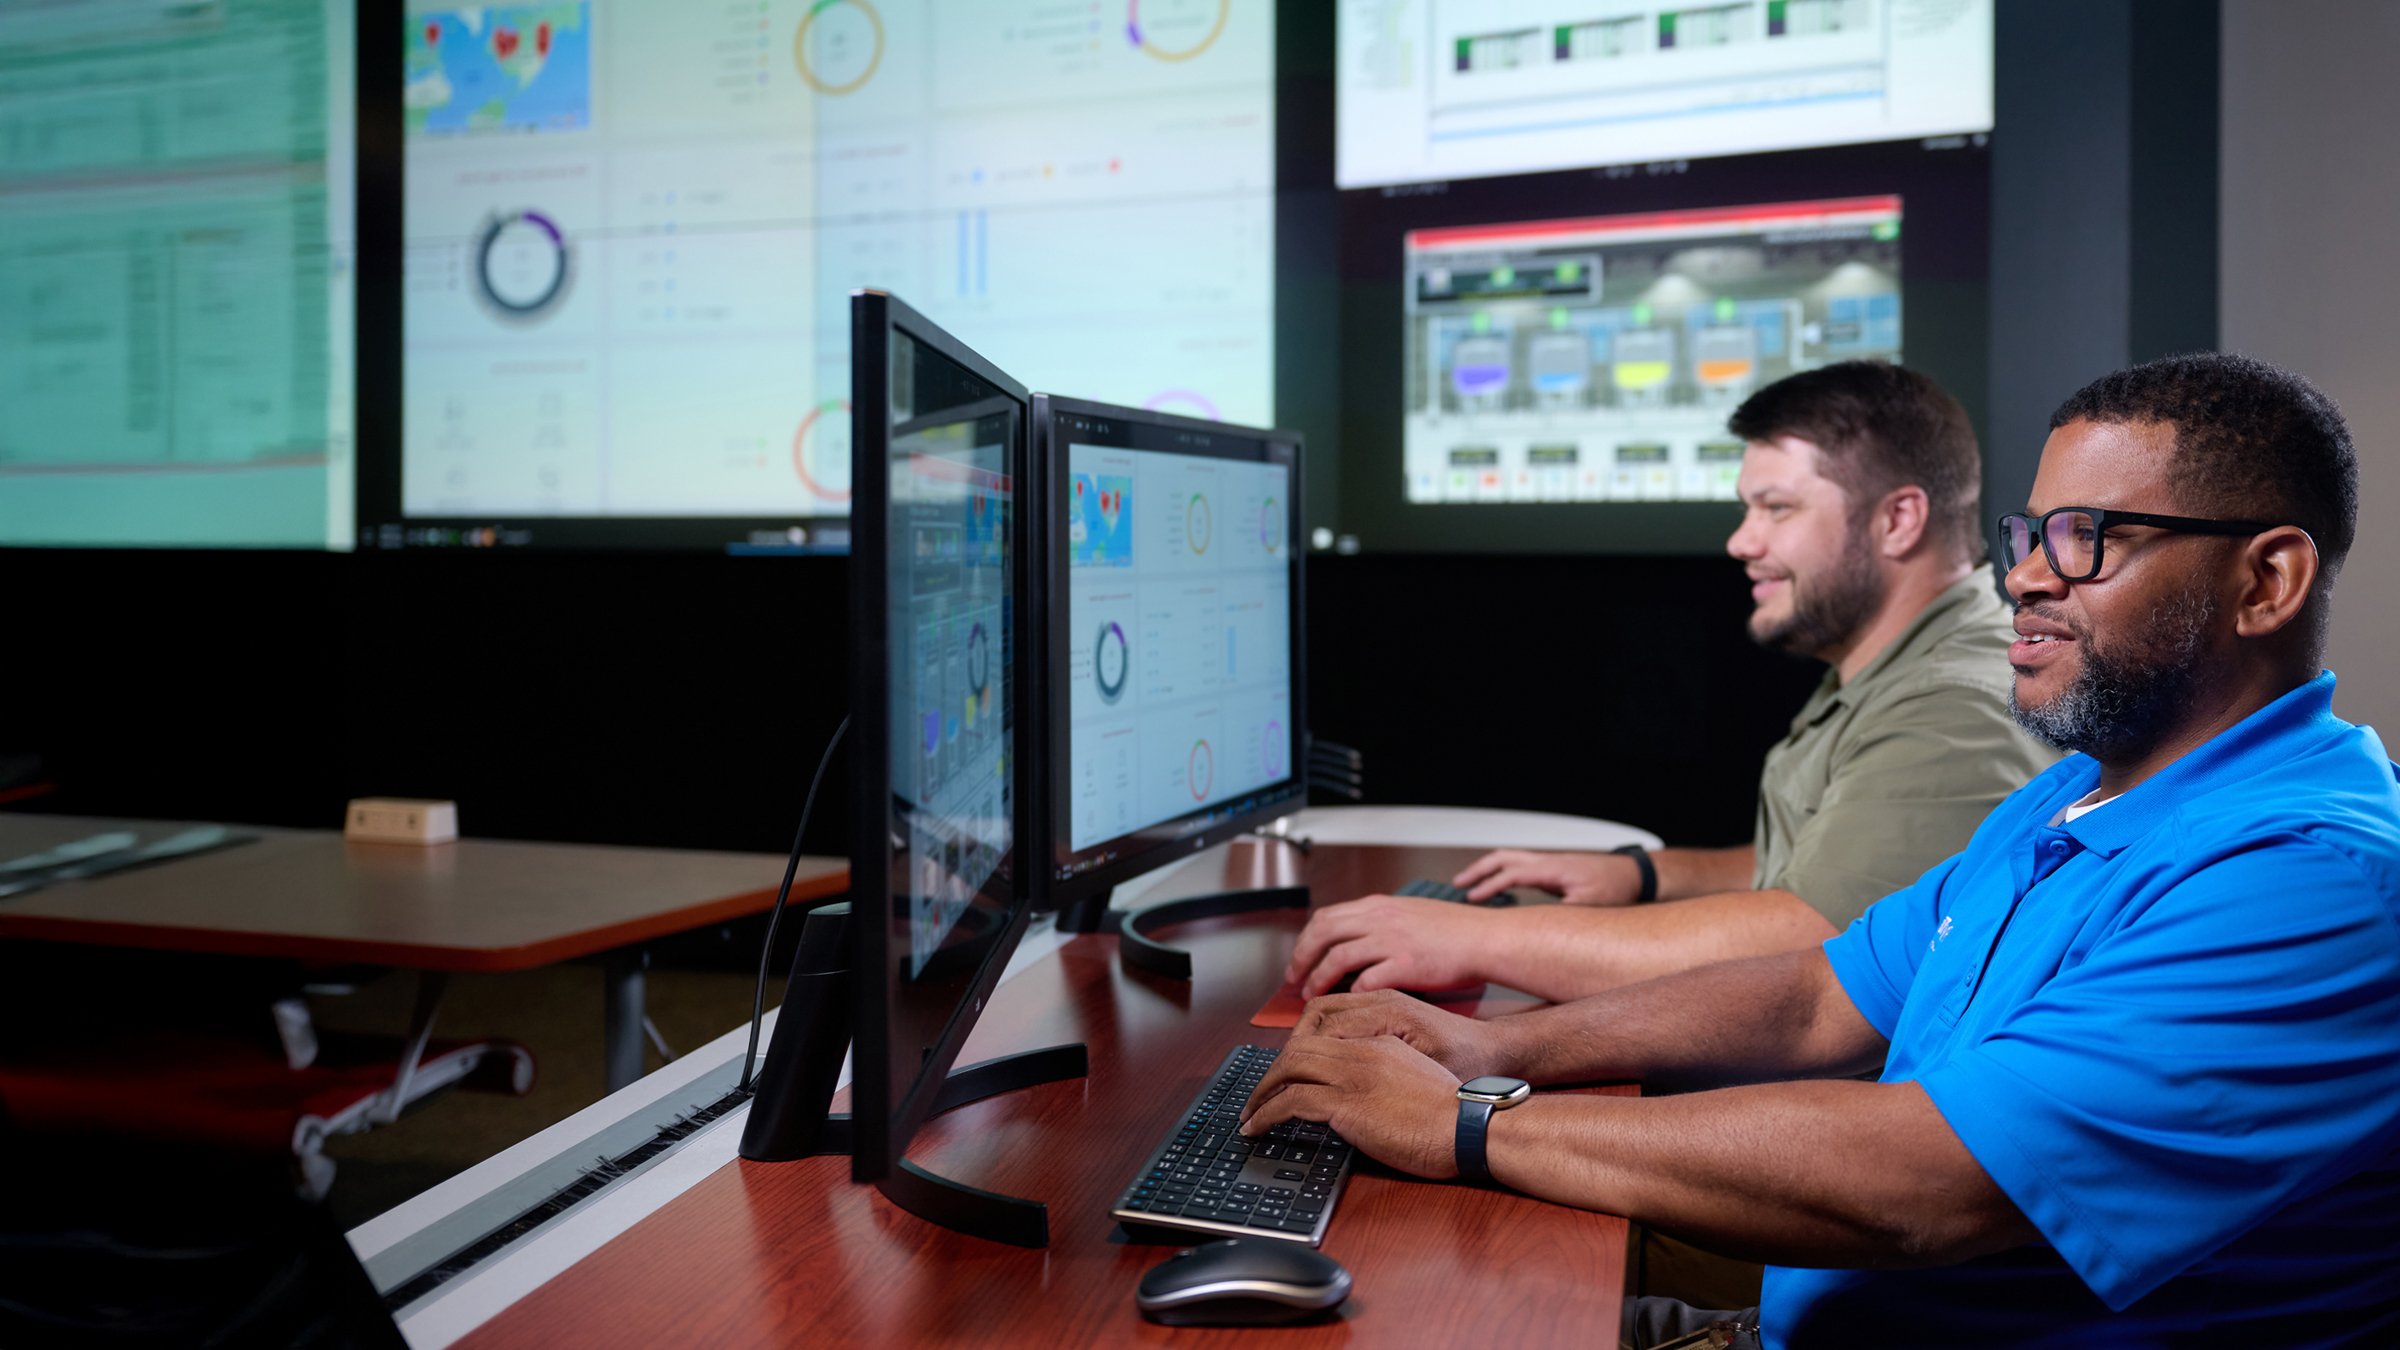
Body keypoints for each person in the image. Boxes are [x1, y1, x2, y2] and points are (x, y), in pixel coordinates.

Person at [1242, 352, 2400, 1346]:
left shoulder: (2311, 879)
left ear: (2268, 579)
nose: (2030, 575)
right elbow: (1815, 995)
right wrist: (1487, 1045)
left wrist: (1467, 1120)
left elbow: (1929, 1185)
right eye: (2032, 533)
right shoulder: (2077, 800)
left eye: (2090, 539)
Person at [1286, 362, 2055, 1003]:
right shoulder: (1897, 663)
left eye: (1775, 508)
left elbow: (1807, 942)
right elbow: (1825, 866)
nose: (1741, 541)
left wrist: (1472, 938)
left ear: (1898, 520)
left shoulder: (1952, 706)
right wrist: (1643, 874)